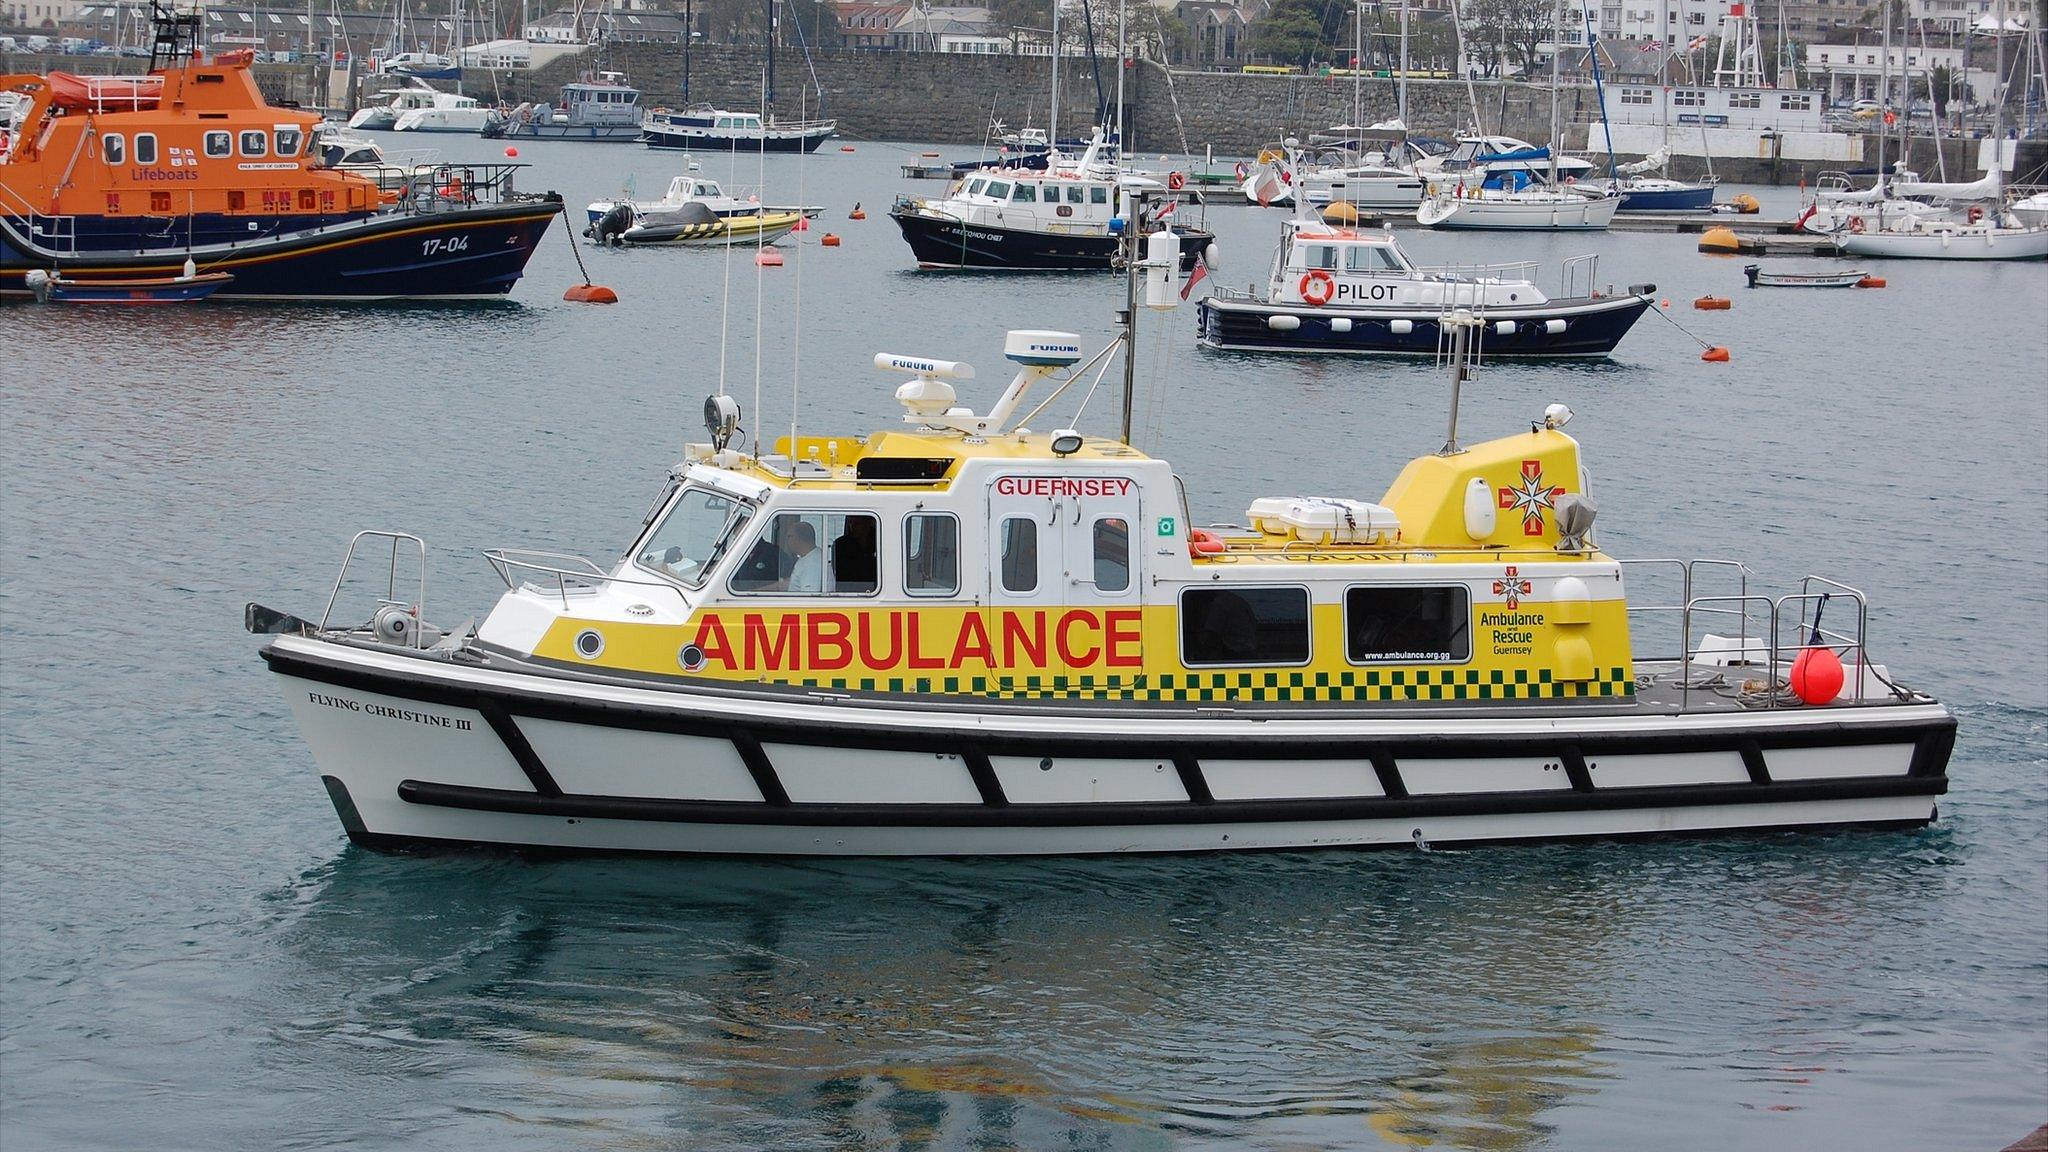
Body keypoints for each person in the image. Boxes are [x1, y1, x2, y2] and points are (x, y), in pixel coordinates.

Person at [832, 517, 877, 593]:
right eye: (851, 523)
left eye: (857, 523)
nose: (853, 526)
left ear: (868, 524)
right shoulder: (841, 545)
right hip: (848, 591)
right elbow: (839, 572)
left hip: (874, 588)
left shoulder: (880, 540)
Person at [781, 520, 822, 593]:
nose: (787, 540)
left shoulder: (813, 564)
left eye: (789, 536)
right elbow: (791, 583)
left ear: (798, 538)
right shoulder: (807, 558)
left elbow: (809, 597)